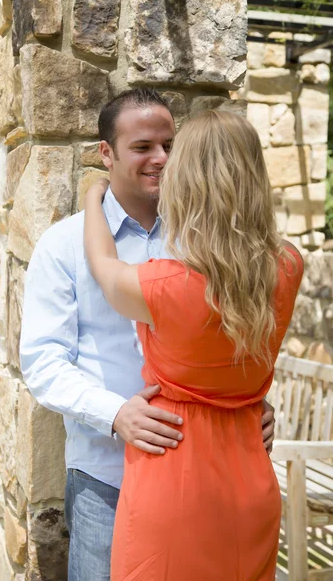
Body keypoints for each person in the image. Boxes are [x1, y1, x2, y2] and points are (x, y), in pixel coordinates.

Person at [20, 89, 276, 581]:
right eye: (142, 147)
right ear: (106, 153)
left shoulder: (206, 236)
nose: (161, 158)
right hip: (107, 474)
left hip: (208, 479)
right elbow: (43, 362)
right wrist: (116, 414)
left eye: (170, 144)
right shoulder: (65, 245)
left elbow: (244, 331)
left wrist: (256, 402)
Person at [83, 109, 303, 581]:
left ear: (189, 182)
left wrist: (91, 196)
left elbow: (103, 264)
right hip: (251, 472)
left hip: (175, 475)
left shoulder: (165, 285)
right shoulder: (288, 266)